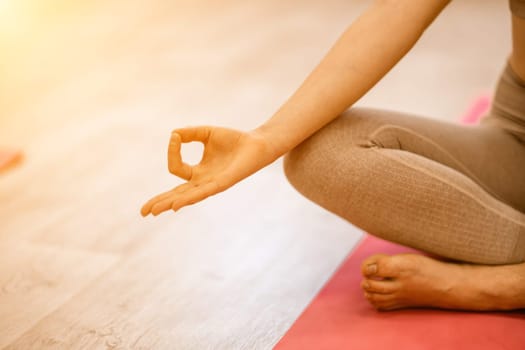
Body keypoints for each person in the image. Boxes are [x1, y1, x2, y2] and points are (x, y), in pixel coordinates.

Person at [141, 0, 525, 311]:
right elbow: (398, 9)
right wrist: (266, 139)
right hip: (515, 128)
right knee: (320, 153)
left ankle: (502, 285)